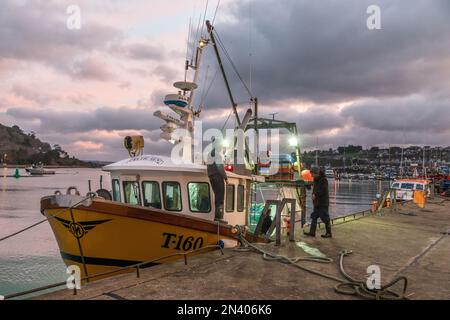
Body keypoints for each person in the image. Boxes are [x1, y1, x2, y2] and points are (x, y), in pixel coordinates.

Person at [304, 167, 332, 238]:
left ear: (317, 173)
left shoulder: (324, 180)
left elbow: (323, 191)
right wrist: (307, 186)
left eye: (312, 174)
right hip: (316, 203)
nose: (311, 176)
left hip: (323, 203)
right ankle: (312, 233)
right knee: (314, 217)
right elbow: (314, 188)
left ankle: (329, 233)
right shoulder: (315, 179)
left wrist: (315, 195)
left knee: (325, 218)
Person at [207, 137, 228, 223]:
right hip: (217, 177)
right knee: (220, 198)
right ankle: (219, 218)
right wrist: (226, 178)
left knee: (217, 196)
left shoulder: (209, 154)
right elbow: (220, 168)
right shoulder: (217, 154)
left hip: (211, 177)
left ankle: (217, 217)